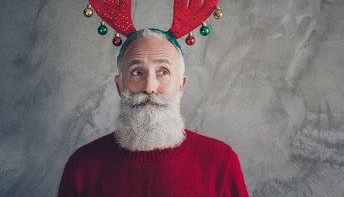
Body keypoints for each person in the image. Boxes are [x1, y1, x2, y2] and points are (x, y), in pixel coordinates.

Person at [57, 29, 249, 196]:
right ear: (120, 86)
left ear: (181, 86)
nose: (149, 87)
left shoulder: (220, 161)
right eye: (136, 72)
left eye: (163, 72)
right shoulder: (82, 166)